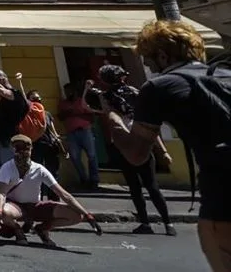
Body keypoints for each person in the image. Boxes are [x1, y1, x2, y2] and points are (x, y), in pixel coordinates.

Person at [105, 20, 230, 271]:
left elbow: (136, 154)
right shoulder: (226, 74)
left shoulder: (159, 86)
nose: (149, 67)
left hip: (224, 194)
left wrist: (111, 116)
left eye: (149, 61)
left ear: (162, 55)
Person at [97, 63, 175, 236]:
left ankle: (145, 223)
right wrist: (163, 151)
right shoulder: (135, 92)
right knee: (152, 186)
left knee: (135, 187)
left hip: (123, 143)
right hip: (142, 139)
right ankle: (168, 224)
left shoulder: (105, 97)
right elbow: (149, 125)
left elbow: (109, 116)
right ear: (122, 77)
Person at [0, 134, 100, 247]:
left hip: (35, 206)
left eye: (25, 149)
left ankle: (42, 229)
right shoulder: (7, 167)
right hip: (16, 207)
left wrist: (88, 215)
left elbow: (63, 194)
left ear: (30, 150)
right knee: (5, 212)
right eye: (18, 149)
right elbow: (2, 192)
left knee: (76, 216)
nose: (21, 153)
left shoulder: (39, 169)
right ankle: (18, 230)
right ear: (13, 150)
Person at [59, 81, 100, 189]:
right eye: (66, 91)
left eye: (69, 91)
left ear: (74, 91)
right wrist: (68, 113)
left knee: (92, 155)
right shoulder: (63, 103)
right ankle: (83, 178)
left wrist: (78, 113)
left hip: (85, 131)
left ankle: (94, 180)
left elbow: (91, 116)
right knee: (75, 157)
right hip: (71, 133)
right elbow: (61, 116)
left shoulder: (82, 101)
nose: (68, 93)